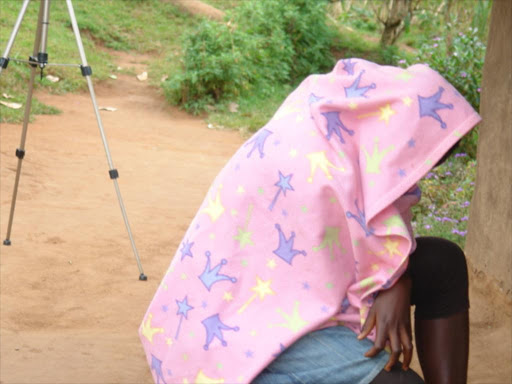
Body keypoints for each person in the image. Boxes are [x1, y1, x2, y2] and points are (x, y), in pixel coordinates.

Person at [139, 58, 480, 384]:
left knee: (444, 262)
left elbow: (372, 244)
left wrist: (395, 280)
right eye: (421, 159)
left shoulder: (351, 140)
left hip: (304, 295)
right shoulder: (314, 167)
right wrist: (391, 281)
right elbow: (336, 270)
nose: (419, 175)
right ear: (400, 135)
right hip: (250, 332)